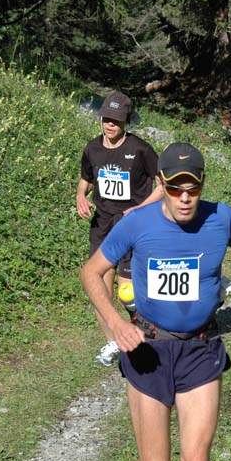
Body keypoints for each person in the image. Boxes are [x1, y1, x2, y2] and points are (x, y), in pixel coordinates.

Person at [80, 142, 231, 461]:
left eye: (192, 188)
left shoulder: (222, 219)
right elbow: (91, 272)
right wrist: (116, 324)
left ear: (203, 183)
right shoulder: (137, 223)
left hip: (201, 348)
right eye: (175, 188)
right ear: (161, 184)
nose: (184, 198)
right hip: (149, 349)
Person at [76, 91, 163, 366]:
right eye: (106, 119)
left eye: (116, 120)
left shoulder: (141, 149)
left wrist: (140, 208)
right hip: (102, 224)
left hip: (131, 225)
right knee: (99, 289)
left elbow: (163, 185)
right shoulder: (92, 148)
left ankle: (146, 328)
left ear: (126, 121)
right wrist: (80, 196)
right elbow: (85, 178)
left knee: (128, 293)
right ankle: (114, 341)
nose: (110, 124)